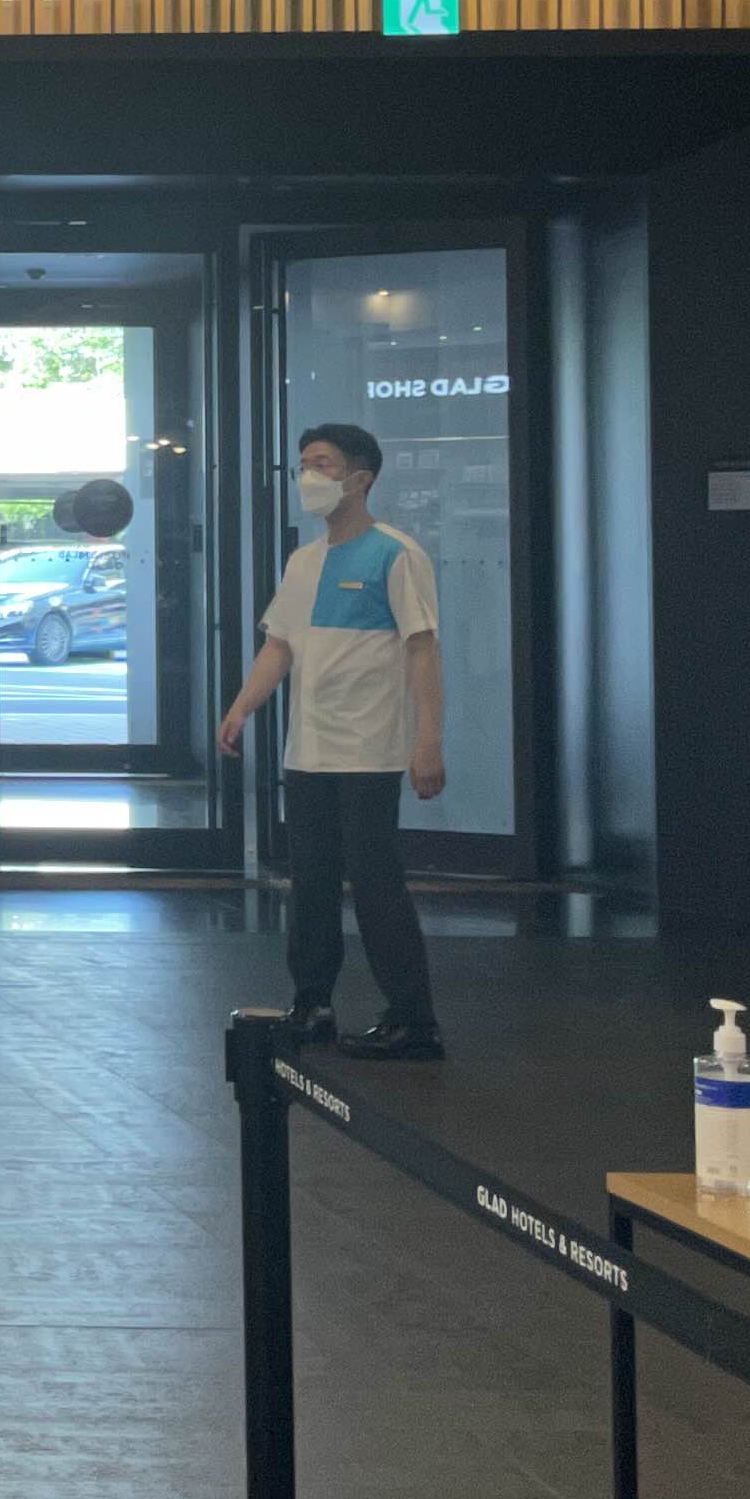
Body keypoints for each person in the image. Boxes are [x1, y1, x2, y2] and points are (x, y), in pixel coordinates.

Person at [216, 421, 447, 1060]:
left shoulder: (396, 554)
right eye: (304, 465)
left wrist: (428, 741)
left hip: (369, 751)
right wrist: (241, 708)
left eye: (322, 464)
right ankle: (312, 1004)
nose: (307, 477)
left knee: (375, 883)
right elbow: (279, 646)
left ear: (360, 478)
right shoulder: (304, 561)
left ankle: (413, 1019)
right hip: (309, 750)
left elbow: (423, 650)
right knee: (311, 883)